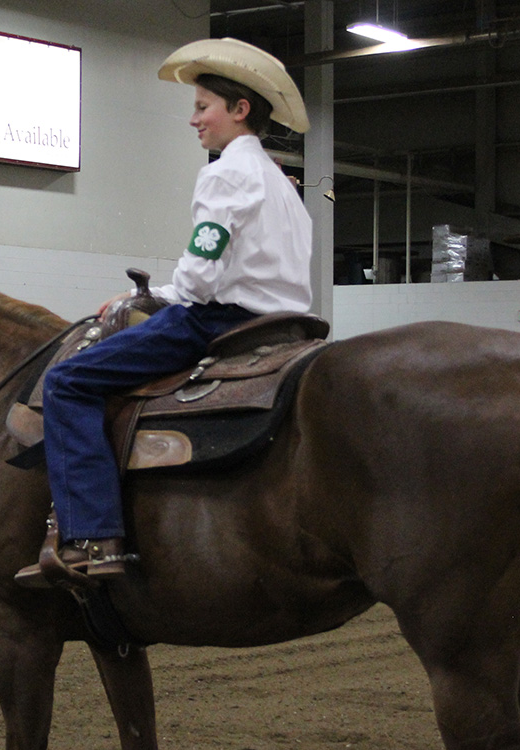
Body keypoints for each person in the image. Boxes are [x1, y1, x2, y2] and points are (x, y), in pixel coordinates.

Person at [16, 38, 314, 585]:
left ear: (239, 110)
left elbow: (202, 273)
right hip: (288, 326)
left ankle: (93, 534)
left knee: (67, 381)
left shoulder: (224, 173)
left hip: (219, 322)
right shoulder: (282, 185)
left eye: (203, 107)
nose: (193, 120)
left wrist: (157, 294)